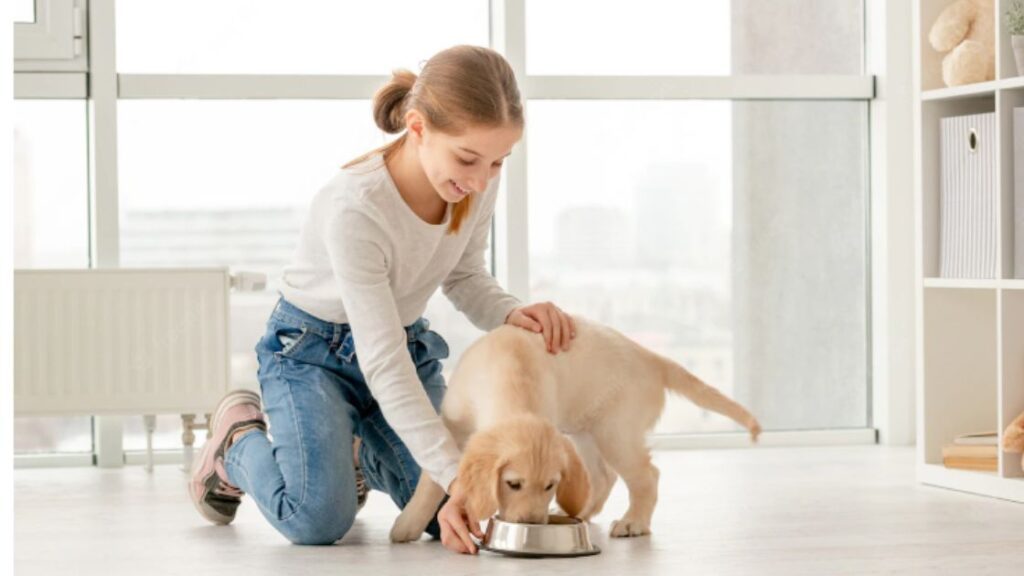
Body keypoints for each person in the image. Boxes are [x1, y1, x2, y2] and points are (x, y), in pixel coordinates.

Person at [188, 45, 575, 555]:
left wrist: (508, 312)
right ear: (417, 128)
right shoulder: (356, 207)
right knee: (317, 520)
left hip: (402, 349)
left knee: (457, 513)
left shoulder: (475, 181)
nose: (482, 180)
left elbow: (463, 274)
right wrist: (454, 475)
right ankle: (237, 440)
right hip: (311, 356)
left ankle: (353, 452)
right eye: (468, 159)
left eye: (498, 161)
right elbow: (383, 361)